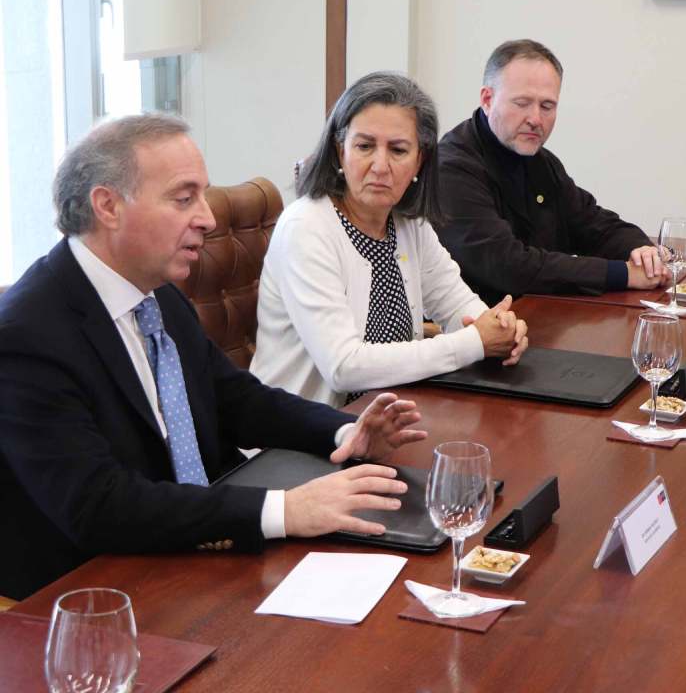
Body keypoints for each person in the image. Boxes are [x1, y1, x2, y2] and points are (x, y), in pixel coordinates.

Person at [0, 114, 428, 600]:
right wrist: (285, 511)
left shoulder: (157, 295)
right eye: (184, 198)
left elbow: (235, 400)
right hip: (85, 594)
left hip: (190, 553)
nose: (206, 217)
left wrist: (347, 432)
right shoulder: (25, 336)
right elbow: (99, 506)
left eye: (203, 196)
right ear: (108, 206)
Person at [250, 73, 528, 409]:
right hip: (304, 439)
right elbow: (344, 366)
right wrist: (475, 342)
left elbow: (457, 306)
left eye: (398, 150)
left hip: (394, 419)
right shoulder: (305, 228)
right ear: (340, 152)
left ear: (419, 161)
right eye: (365, 146)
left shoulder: (409, 223)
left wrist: (499, 328)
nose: (380, 166)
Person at [435, 39, 668, 304]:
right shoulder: (451, 166)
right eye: (522, 103)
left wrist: (642, 251)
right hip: (480, 331)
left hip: (542, 316)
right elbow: (508, 265)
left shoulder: (540, 161)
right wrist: (622, 274)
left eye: (547, 106)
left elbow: (593, 223)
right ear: (487, 99)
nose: (535, 119)